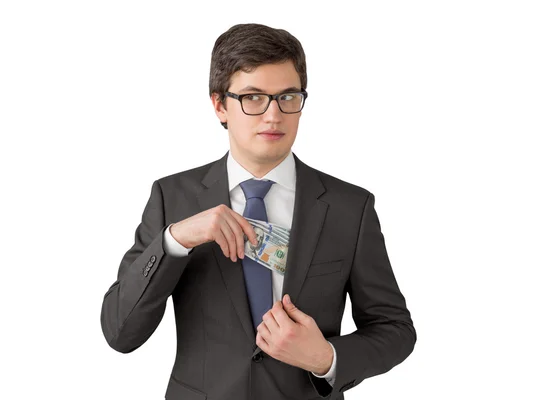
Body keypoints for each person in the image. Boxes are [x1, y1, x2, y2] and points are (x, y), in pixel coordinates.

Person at [100, 23, 416, 400]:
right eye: (253, 98)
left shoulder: (350, 207)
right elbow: (120, 332)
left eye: (287, 97)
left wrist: (326, 358)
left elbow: (394, 329)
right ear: (220, 105)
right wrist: (175, 240)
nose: (273, 116)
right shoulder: (173, 197)